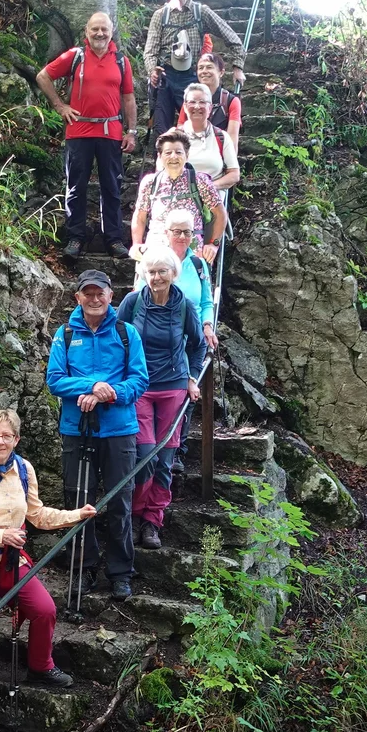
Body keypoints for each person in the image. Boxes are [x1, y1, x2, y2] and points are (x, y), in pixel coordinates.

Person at [0, 408, 98, 732]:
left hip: (11, 559)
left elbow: (37, 515)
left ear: (16, 439)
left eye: (7, 435)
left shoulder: (23, 469)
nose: (0, 440)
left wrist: (75, 515)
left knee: (43, 609)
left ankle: (40, 666)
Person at [46, 269, 149, 600]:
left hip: (119, 429)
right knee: (78, 500)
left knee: (119, 500)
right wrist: (92, 386)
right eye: (87, 293)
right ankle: (84, 568)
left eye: (99, 292)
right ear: (77, 297)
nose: (94, 298)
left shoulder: (126, 333)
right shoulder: (64, 334)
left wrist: (109, 393)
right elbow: (55, 379)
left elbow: (139, 380)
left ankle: (121, 572)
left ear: (110, 295)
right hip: (77, 430)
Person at [117, 247, 206, 550]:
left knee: (165, 458)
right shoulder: (133, 302)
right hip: (140, 387)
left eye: (162, 271)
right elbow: (116, 338)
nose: (156, 277)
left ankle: (152, 522)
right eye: (151, 272)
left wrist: (192, 377)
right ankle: (134, 515)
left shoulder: (184, 307)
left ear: (173, 274)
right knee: (143, 455)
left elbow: (198, 345)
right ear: (145, 274)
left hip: (173, 387)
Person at [37, 11, 138, 261]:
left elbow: (128, 98)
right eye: (95, 29)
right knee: (75, 187)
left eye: (104, 29)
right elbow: (43, 76)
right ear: (86, 32)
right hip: (79, 130)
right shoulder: (75, 56)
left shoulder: (122, 62)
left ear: (111, 32)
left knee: (112, 187)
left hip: (111, 131)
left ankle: (113, 239)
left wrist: (132, 131)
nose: (100, 33)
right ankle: (75, 238)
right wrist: (60, 106)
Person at [143, 0, 245, 139]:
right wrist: (152, 70)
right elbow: (150, 51)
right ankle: (161, 164)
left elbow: (232, 37)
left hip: (192, 77)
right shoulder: (160, 15)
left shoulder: (201, 12)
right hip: (165, 78)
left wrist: (237, 67)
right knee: (161, 132)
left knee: (194, 130)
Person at [131, 130, 228, 265]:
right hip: (156, 248)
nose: (173, 157)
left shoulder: (200, 181)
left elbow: (220, 213)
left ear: (187, 155)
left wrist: (214, 244)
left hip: (191, 249)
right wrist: (137, 244)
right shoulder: (149, 182)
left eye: (178, 152)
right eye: (168, 153)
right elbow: (139, 216)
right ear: (159, 156)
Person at [134, 209, 219, 351]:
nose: (182, 236)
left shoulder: (199, 264)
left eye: (187, 232)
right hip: (159, 338)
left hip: (193, 338)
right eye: (177, 231)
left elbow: (206, 302)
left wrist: (208, 325)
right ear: (167, 233)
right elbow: (139, 298)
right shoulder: (153, 260)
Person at [176, 82, 240, 193]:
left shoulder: (222, 137)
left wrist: (207, 188)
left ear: (210, 108)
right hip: (179, 199)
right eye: (192, 102)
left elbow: (234, 174)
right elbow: (162, 171)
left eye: (202, 102)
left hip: (213, 203)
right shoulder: (173, 137)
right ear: (185, 107)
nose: (197, 106)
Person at [196, 53, 243, 149]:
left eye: (209, 67)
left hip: (219, 154)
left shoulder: (231, 101)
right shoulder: (190, 101)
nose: (204, 71)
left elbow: (232, 140)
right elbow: (181, 132)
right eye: (200, 68)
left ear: (221, 72)